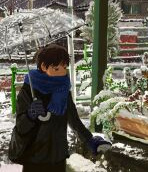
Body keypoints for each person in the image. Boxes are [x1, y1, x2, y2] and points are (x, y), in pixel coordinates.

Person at [12, 44, 111, 172]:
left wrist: (89, 140)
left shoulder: (63, 89)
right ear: (43, 66)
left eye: (64, 67)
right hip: (34, 156)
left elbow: (73, 120)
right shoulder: (28, 90)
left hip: (57, 156)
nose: (63, 72)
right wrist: (30, 115)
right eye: (57, 68)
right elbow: (21, 127)